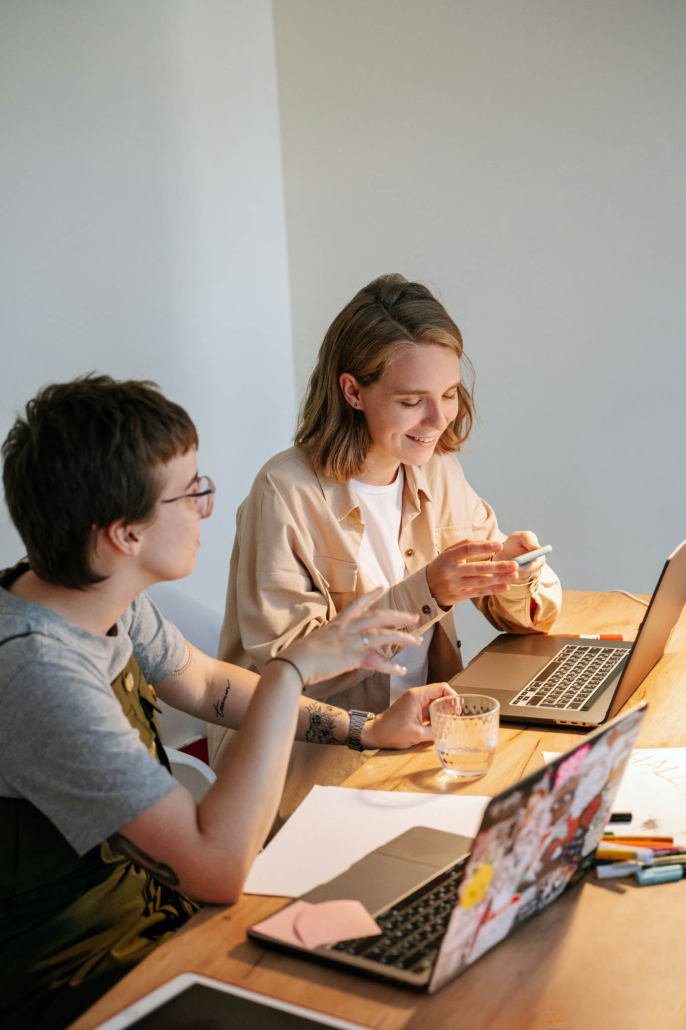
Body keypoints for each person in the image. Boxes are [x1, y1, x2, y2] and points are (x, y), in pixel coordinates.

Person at [0, 375, 454, 1030]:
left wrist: (364, 730)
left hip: (160, 921)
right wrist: (292, 667)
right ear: (123, 534)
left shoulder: (90, 595)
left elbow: (209, 686)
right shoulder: (39, 674)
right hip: (82, 982)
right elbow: (216, 868)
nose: (206, 508)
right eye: (191, 493)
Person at [208, 274, 562, 818]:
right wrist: (428, 592)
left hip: (418, 753)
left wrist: (516, 574)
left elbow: (521, 617)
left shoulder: (437, 469)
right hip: (310, 779)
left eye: (447, 395)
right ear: (352, 391)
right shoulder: (284, 493)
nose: (439, 419)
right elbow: (292, 670)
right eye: (411, 401)